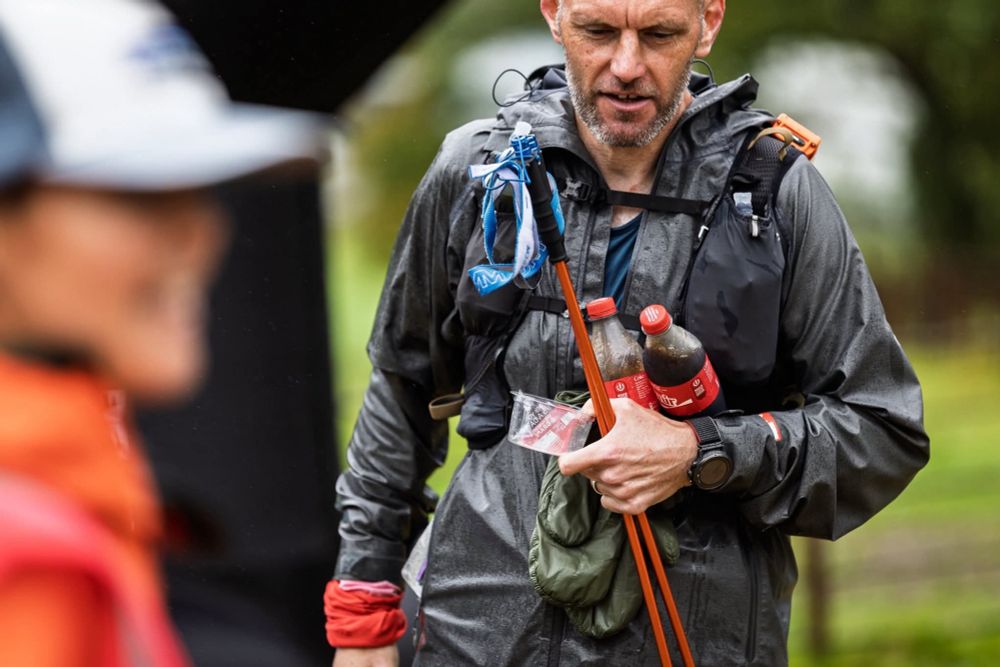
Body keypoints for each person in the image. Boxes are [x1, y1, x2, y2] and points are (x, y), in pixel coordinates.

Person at [328, 0, 930, 665]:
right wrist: (364, 618)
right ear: (554, 13)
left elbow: (883, 428)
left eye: (659, 34)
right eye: (598, 31)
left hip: (696, 641)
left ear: (710, 21)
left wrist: (700, 450)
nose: (626, 67)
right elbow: (403, 389)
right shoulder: (479, 170)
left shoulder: (776, 194)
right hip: (471, 639)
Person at [0, 0, 323, 665]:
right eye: (138, 191)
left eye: (199, 187)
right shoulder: (26, 558)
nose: (200, 233)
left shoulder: (80, 492)